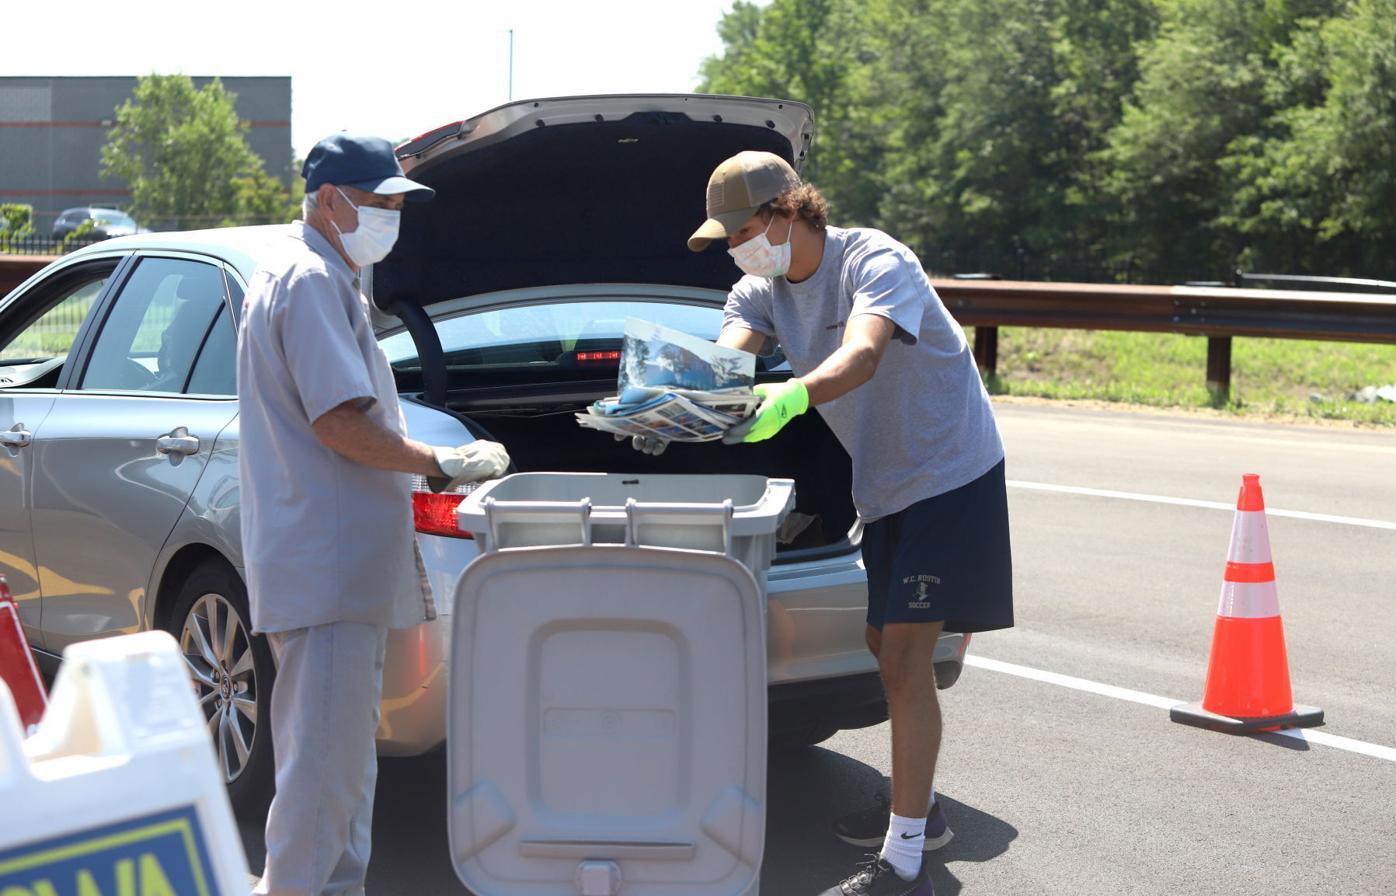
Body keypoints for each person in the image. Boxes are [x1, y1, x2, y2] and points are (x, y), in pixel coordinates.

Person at [683, 151, 1014, 896]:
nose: (737, 247)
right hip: (887, 484)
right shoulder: (759, 290)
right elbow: (726, 363)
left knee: (901, 658)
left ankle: (905, 863)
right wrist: (677, 408)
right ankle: (917, 813)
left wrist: (792, 398)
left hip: (949, 469)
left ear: (789, 211)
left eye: (741, 231)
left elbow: (863, 352)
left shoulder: (875, 258)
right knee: (881, 645)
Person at [237, 132, 510, 896]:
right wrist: (440, 461)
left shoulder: (313, 273)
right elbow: (340, 423)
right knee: (322, 786)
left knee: (344, 778)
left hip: (331, 568)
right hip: (326, 569)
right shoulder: (312, 281)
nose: (391, 215)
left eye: (396, 203)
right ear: (331, 200)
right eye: (379, 201)